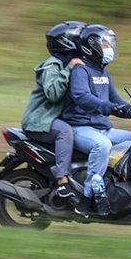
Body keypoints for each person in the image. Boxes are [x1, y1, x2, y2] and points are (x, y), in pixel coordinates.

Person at [60, 24, 131, 216]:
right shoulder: (81, 70)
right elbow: (82, 97)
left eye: (109, 44)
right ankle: (87, 198)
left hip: (102, 127)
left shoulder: (103, 72)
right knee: (102, 146)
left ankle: (114, 185)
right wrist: (111, 108)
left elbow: (115, 100)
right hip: (80, 127)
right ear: (91, 46)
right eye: (104, 44)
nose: (109, 49)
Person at [21, 21, 86, 199]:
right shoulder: (53, 65)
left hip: (52, 118)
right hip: (40, 120)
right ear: (68, 43)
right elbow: (53, 93)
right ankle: (62, 182)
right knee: (65, 132)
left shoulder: (73, 65)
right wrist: (69, 69)